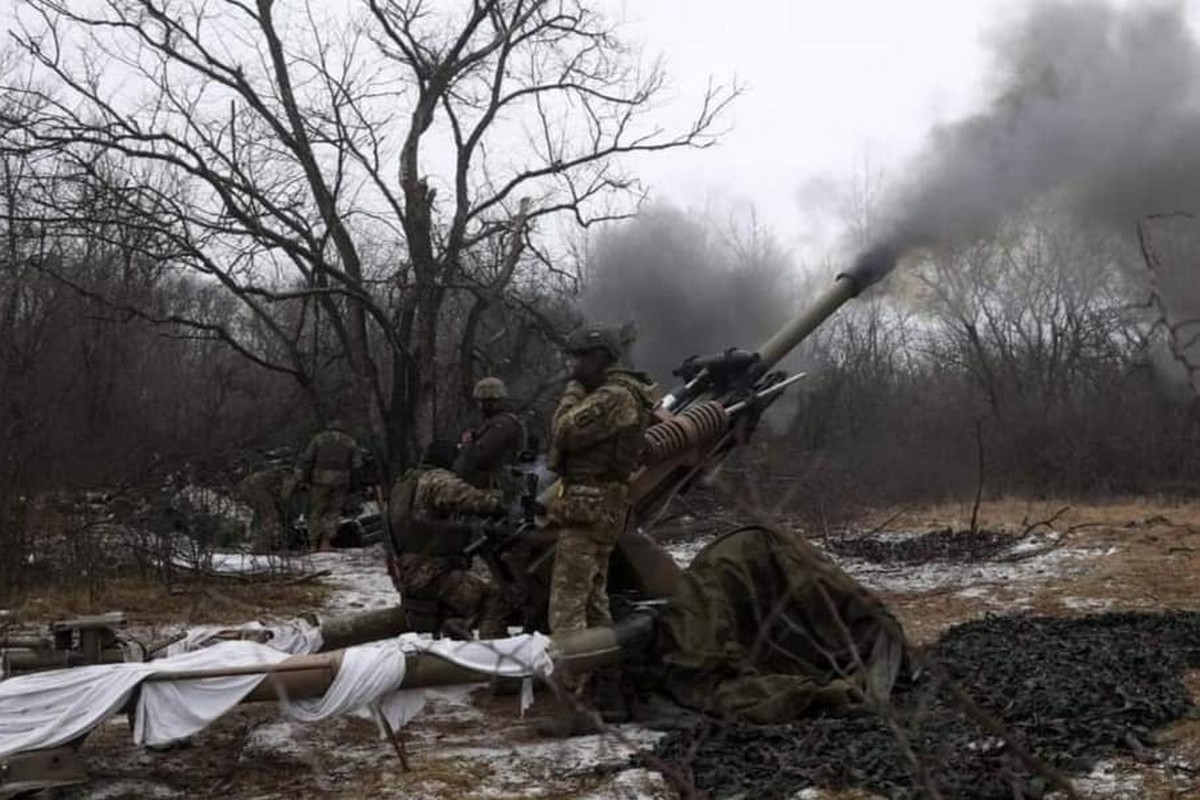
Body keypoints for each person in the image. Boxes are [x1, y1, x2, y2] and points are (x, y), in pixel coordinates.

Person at [539, 322, 660, 736]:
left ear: (601, 358)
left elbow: (563, 430)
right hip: (598, 510)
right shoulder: (620, 395)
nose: (573, 366)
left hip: (587, 510)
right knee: (594, 607)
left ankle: (575, 708)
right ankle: (611, 697)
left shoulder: (613, 397)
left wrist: (572, 393)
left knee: (567, 610)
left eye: (579, 358)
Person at [387, 440, 509, 639]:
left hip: (408, 571)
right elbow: (471, 499)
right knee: (494, 596)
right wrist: (499, 505)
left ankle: (456, 640)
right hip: (432, 573)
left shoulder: (405, 483)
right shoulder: (436, 479)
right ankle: (494, 647)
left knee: (461, 603)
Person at [295, 418, 362, 552]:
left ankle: (313, 543)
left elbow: (307, 459)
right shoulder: (349, 441)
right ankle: (326, 543)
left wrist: (305, 479)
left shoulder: (318, 439)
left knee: (316, 512)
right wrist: (355, 484)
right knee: (333, 512)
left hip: (319, 480)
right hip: (341, 481)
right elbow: (357, 465)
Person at [453, 377, 525, 498]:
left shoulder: (501, 424)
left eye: (482, 401)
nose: (480, 406)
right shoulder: (496, 422)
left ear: (491, 401)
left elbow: (481, 457)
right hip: (490, 486)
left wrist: (467, 444)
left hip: (495, 488)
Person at [235, 464, 296, 552]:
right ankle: (262, 545)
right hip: (255, 489)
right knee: (271, 516)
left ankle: (255, 540)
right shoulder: (287, 476)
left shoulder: (271, 473)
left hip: (244, 487)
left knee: (262, 515)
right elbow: (284, 495)